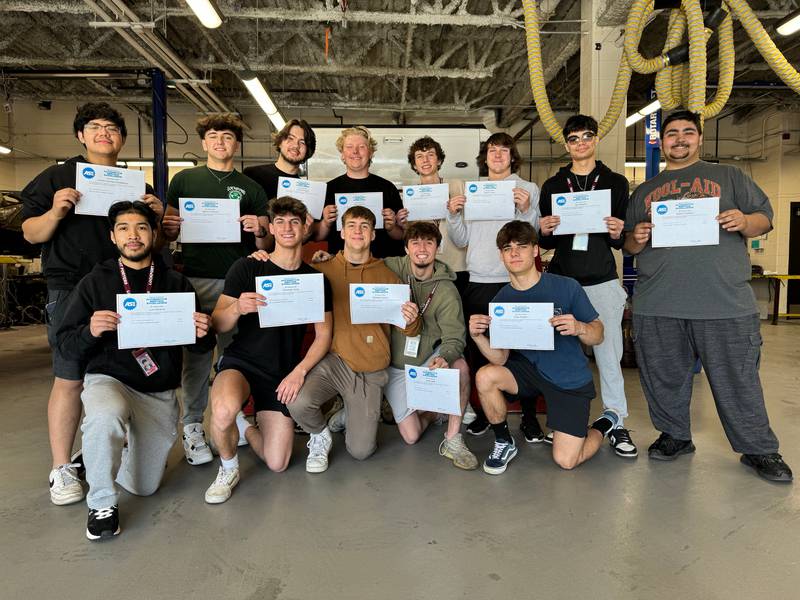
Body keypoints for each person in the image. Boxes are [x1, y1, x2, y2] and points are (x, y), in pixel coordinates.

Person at [624, 110, 792, 482]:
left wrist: (745, 223)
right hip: (659, 303)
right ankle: (675, 436)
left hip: (723, 303)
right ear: (661, 141)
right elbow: (629, 245)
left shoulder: (729, 177)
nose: (679, 139)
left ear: (699, 138)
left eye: (687, 132)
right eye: (671, 133)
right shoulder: (644, 192)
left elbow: (765, 216)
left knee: (737, 379)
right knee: (663, 377)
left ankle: (759, 448)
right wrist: (635, 238)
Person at [20, 102, 163, 506]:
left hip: (129, 289)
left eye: (113, 128)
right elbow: (31, 233)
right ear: (81, 135)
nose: (105, 133)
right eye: (95, 127)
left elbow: (155, 246)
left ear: (121, 138)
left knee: (128, 368)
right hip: (71, 288)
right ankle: (62, 467)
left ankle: (109, 440)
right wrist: (56, 210)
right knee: (70, 375)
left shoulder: (138, 186)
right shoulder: (58, 177)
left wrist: (158, 216)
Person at [55, 201, 211, 540]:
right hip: (109, 380)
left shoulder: (177, 284)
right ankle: (101, 504)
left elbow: (200, 348)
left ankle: (102, 449)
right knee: (105, 414)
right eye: (124, 228)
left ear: (154, 234)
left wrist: (203, 331)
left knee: (145, 487)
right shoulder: (95, 283)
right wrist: (90, 330)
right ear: (112, 237)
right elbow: (65, 343)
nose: (133, 235)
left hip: (157, 390)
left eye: (141, 227)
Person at [204, 197, 333, 504]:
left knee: (277, 462)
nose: (287, 228)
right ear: (272, 228)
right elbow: (219, 324)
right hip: (243, 363)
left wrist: (299, 373)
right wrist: (237, 306)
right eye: (280, 222)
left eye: (294, 222)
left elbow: (323, 336)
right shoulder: (248, 267)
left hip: (282, 373)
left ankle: (244, 427)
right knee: (222, 410)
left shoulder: (315, 279)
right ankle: (228, 466)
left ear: (305, 228)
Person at [161, 114, 269, 467]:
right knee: (195, 357)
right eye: (213, 136)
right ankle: (192, 426)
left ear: (236, 144)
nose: (221, 141)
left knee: (233, 355)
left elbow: (265, 239)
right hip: (193, 279)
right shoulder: (184, 180)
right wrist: (168, 226)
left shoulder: (250, 187)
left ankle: (232, 415)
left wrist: (258, 229)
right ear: (204, 143)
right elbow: (168, 233)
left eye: (227, 136)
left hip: (236, 281)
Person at [323, 221, 476, 469]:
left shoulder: (447, 289)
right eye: (415, 242)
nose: (422, 248)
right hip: (390, 365)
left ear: (438, 247)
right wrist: (330, 258)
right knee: (411, 435)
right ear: (406, 248)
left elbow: (455, 336)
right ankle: (359, 408)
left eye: (429, 242)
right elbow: (358, 263)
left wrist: (446, 356)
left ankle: (452, 437)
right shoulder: (390, 267)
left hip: (426, 358)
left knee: (459, 366)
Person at [469, 220, 618, 474]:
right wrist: (478, 337)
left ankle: (604, 425)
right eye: (507, 248)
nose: (514, 253)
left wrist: (580, 328)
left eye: (521, 246)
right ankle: (504, 441)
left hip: (567, 378)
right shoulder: (501, 299)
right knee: (485, 376)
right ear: (501, 255)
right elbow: (501, 358)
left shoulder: (566, 286)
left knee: (567, 460)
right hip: (529, 371)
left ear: (535, 250)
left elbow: (599, 335)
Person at [289, 206, 420, 472]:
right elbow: (285, 274)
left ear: (373, 235)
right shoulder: (321, 269)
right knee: (297, 401)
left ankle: (351, 411)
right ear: (342, 232)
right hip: (335, 362)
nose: (358, 231)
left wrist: (412, 318)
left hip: (372, 369)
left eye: (364, 227)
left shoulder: (388, 277)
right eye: (352, 225)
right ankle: (320, 434)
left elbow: (410, 331)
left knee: (361, 451)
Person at [538, 114, 636, 458]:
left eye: (587, 136)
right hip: (563, 282)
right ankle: (565, 420)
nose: (581, 143)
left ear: (595, 141)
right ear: (566, 144)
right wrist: (544, 231)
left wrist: (616, 232)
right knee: (561, 354)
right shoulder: (553, 185)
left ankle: (616, 419)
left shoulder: (615, 182)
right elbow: (544, 242)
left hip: (603, 280)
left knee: (608, 354)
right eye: (574, 138)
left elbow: (620, 241)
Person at [446, 132, 540, 437]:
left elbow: (535, 235)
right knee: (478, 351)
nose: (497, 155)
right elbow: (461, 240)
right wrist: (454, 215)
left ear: (512, 156)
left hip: (516, 282)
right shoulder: (474, 190)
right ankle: (486, 412)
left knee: (523, 350)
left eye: (503, 150)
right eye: (491, 150)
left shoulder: (527, 188)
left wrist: (526, 211)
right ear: (484, 157)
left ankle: (528, 417)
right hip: (479, 281)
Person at [313, 126, 404, 258]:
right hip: (341, 266)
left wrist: (392, 227)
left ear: (371, 153)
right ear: (342, 155)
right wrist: (326, 222)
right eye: (349, 147)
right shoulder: (328, 189)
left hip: (381, 264)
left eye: (361, 147)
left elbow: (401, 235)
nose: (355, 151)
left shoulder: (387, 188)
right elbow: (317, 237)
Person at [400, 136, 468, 293]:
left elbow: (470, 223)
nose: (425, 160)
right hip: (427, 267)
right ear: (414, 165)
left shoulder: (457, 185)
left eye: (430, 154)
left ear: (439, 161)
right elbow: (410, 235)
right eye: (419, 156)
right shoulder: (411, 196)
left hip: (457, 265)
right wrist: (402, 224)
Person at [243, 119, 317, 249]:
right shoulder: (252, 175)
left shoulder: (307, 192)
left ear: (308, 150)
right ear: (280, 142)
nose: (296, 145)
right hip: (250, 257)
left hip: (282, 261)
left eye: (302, 142)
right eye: (290, 139)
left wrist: (308, 232)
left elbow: (298, 239)